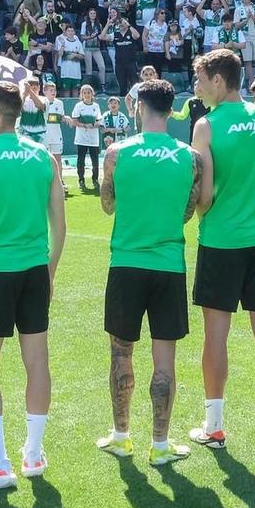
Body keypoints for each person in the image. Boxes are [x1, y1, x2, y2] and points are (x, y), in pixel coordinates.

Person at [185, 49, 255, 450]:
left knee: (216, 336)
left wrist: (200, 204)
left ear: (219, 80)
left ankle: (214, 426)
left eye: (200, 79)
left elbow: (206, 199)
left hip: (220, 242)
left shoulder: (207, 125)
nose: (196, 87)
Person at [0, 80, 66, 487]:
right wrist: (49, 272)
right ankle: (33, 454)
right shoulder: (44, 158)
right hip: (34, 272)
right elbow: (61, 225)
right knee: (37, 361)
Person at [96, 79, 201, 465]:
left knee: (120, 355)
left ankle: (122, 436)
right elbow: (188, 212)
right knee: (165, 361)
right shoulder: (191, 157)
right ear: (171, 110)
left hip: (125, 264)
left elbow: (108, 205)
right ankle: (160, 445)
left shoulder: (116, 153)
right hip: (168, 266)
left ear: (138, 107)